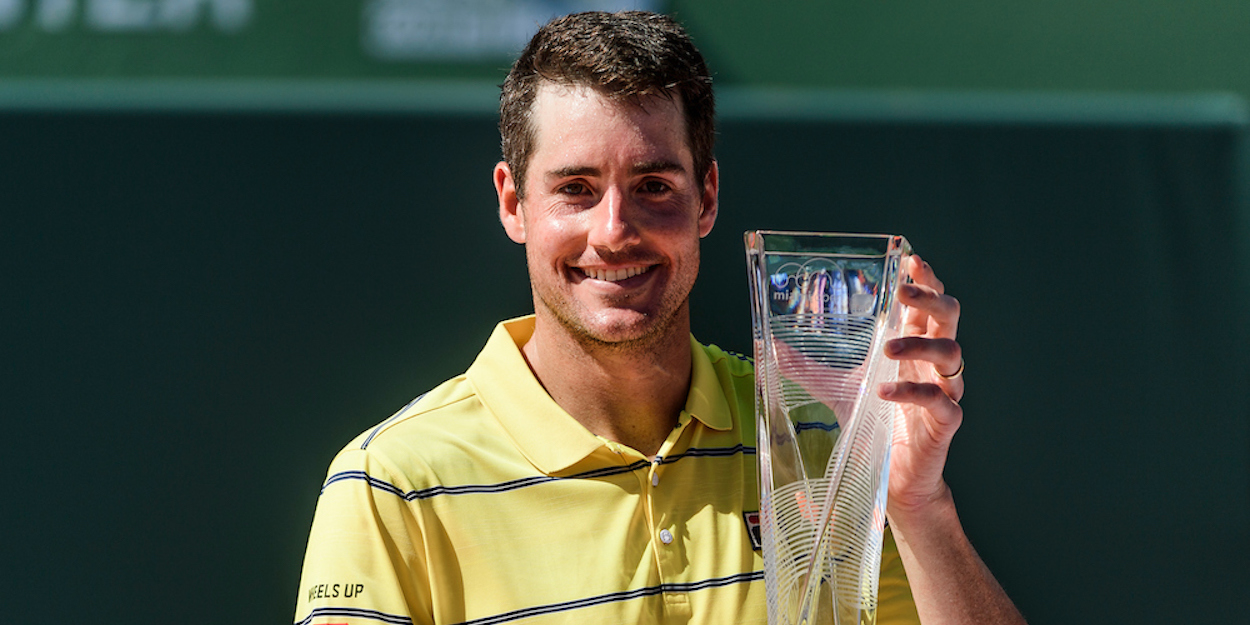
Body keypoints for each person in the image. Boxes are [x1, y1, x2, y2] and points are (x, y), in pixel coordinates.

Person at [293, 10, 1025, 625]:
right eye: (576, 188)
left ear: (706, 197)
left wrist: (916, 504)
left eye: (653, 185)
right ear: (514, 202)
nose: (614, 231)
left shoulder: (824, 447)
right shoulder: (390, 483)